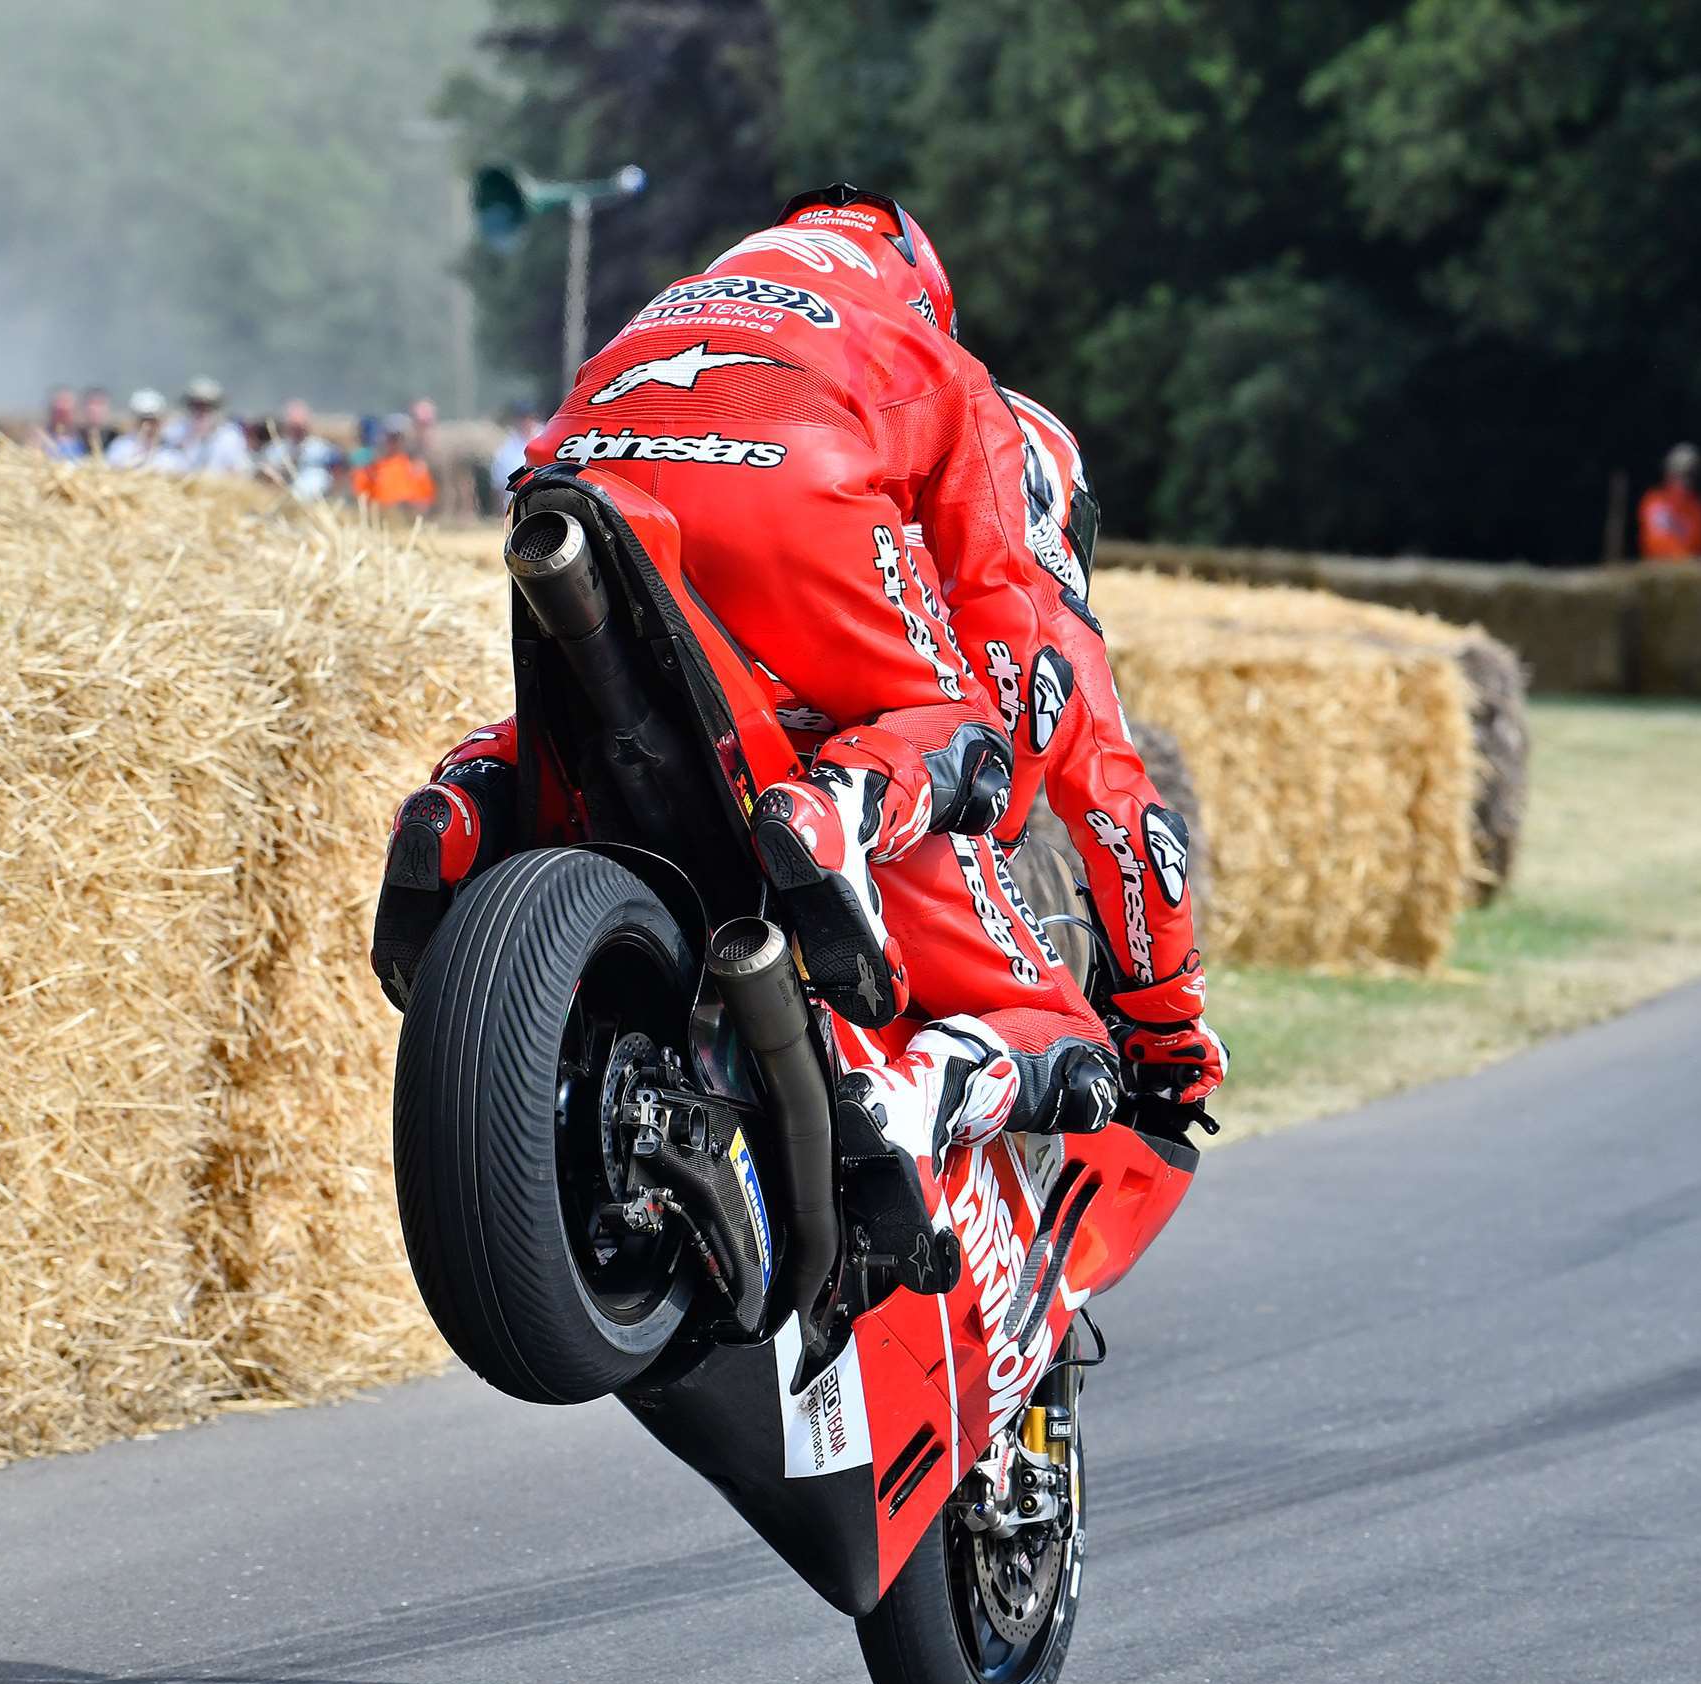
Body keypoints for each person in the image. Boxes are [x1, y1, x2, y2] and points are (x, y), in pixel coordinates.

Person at [375, 185, 1222, 1178]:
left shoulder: (695, 295)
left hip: (576, 467)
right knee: (1030, 933)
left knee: (586, 733)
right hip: (788, 475)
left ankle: (465, 800)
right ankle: (866, 920)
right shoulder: (947, 370)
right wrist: (1169, 1038)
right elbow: (1080, 756)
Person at [1638, 443, 1701, 560]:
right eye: (1680, 472)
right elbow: (1655, 542)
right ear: (1668, 473)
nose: (1685, 479)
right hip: (1659, 571)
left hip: (1694, 572)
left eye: (1690, 474)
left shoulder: (1699, 507)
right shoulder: (1655, 501)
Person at [352, 415, 436, 515]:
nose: (395, 443)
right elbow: (360, 499)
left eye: (399, 438)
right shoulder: (371, 469)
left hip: (408, 521)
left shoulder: (416, 469)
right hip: (381, 522)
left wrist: (409, 507)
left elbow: (426, 501)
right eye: (391, 438)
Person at [260, 398, 342, 500]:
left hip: (319, 502)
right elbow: (266, 476)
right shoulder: (276, 450)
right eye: (294, 426)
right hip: (285, 501)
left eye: (300, 425)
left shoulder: (322, 449)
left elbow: (338, 473)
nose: (297, 430)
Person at [176, 378, 252, 476]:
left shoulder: (229, 437)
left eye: (206, 407)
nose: (200, 412)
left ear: (215, 408)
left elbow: (240, 469)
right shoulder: (178, 432)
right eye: (196, 406)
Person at [107, 389, 171, 468]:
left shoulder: (169, 451)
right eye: (143, 420)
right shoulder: (121, 447)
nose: (148, 426)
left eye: (152, 420)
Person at [491, 405, 540, 507]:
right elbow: (498, 487)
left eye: (529, 418)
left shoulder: (546, 439)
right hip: (515, 508)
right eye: (522, 419)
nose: (525, 423)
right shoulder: (505, 451)